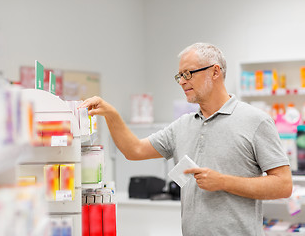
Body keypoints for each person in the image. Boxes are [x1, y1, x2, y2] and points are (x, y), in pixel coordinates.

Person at [79, 42, 292, 236]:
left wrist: (223, 182)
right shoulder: (182, 125)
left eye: (188, 74)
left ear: (215, 71)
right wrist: (111, 114)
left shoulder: (256, 121)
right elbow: (133, 150)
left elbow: (283, 185)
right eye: (179, 75)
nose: (181, 81)